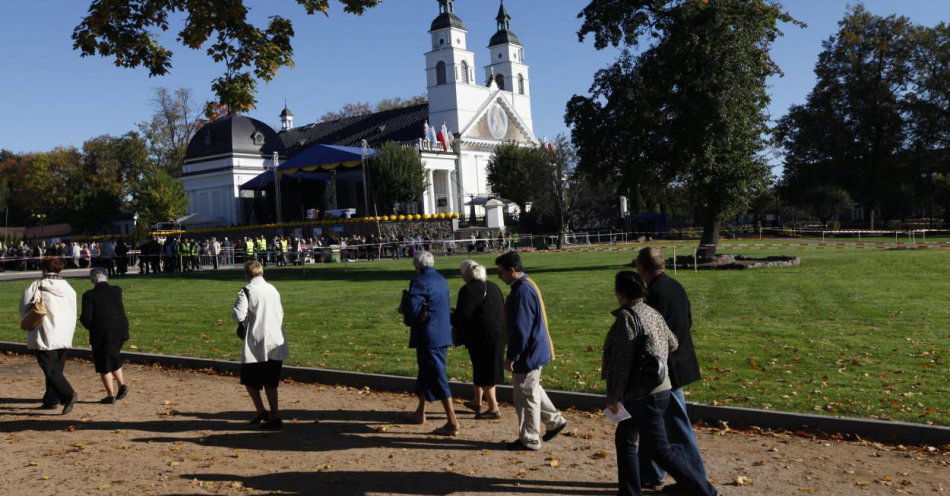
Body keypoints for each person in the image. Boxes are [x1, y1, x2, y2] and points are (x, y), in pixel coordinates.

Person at [604, 272, 719, 496]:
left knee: (659, 449)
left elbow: (621, 363)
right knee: (626, 437)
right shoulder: (652, 312)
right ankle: (629, 491)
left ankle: (705, 491)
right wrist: (657, 355)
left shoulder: (628, 317)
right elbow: (673, 343)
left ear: (620, 294)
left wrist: (614, 395)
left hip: (642, 393)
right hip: (661, 387)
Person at [635, 247, 710, 490]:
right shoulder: (675, 286)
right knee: (655, 422)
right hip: (679, 359)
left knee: (676, 425)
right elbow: (688, 321)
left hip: (667, 366)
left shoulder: (653, 293)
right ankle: (651, 471)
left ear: (642, 269)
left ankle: (695, 479)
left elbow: (651, 334)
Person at [494, 251, 567, 450]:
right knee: (531, 389)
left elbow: (521, 328)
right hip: (535, 348)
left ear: (511, 270)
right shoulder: (526, 284)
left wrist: (512, 356)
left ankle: (530, 439)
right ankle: (554, 421)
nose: (499, 276)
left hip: (528, 351)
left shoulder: (521, 291)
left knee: (524, 395)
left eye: (500, 272)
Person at [401, 251, 461, 436]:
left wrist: (404, 311)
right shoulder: (442, 279)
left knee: (436, 374)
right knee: (426, 372)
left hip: (428, 336)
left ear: (417, 266)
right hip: (442, 334)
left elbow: (412, 309)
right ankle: (420, 412)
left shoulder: (419, 281)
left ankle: (452, 420)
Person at [232, 260, 289, 430]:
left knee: (249, 379)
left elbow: (238, 315)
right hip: (276, 338)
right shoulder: (273, 289)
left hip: (257, 341)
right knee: (271, 381)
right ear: (261, 273)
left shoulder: (246, 291)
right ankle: (274, 414)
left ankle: (261, 410)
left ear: (247, 274)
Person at [19, 257, 79, 414]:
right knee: (56, 369)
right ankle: (51, 400)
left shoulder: (37, 286)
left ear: (44, 268)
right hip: (65, 332)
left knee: (50, 369)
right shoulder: (69, 288)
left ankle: (68, 395)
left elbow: (23, 307)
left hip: (45, 331)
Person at [452, 260, 505, 419]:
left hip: (481, 337)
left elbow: (462, 316)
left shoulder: (468, 290)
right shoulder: (493, 286)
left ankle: (494, 408)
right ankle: (477, 400)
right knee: (481, 368)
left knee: (484, 372)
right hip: (498, 334)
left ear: (467, 274)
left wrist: (452, 319)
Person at [79, 268, 130, 404]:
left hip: (102, 332)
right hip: (120, 329)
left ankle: (110, 395)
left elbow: (86, 318)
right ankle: (121, 385)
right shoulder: (117, 290)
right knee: (112, 356)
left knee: (103, 363)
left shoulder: (89, 295)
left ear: (94, 278)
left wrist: (94, 328)